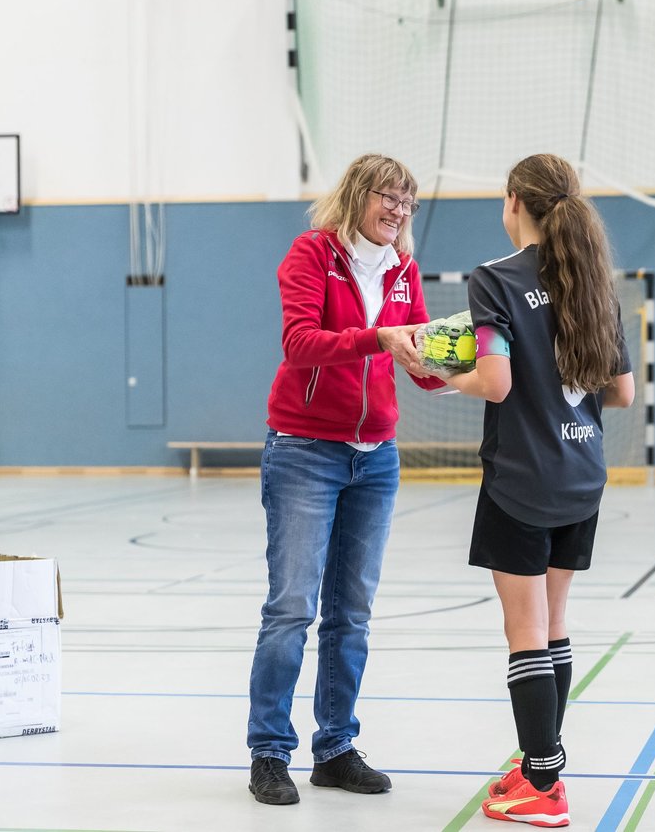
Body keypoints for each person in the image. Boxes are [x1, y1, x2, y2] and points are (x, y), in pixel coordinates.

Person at [436, 154, 634, 828]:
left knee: (524, 631)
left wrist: (438, 374)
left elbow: (494, 381)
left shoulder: (495, 280)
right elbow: (624, 391)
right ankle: (541, 763)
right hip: (583, 475)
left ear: (514, 200)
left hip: (522, 478)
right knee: (553, 625)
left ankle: (544, 787)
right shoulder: (593, 283)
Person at [247, 154, 445, 805]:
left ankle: (334, 748)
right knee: (291, 608)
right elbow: (299, 342)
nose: (398, 211)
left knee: (351, 614)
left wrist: (455, 353)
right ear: (358, 196)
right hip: (305, 450)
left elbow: (415, 364)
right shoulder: (312, 254)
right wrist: (379, 337)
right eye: (388, 197)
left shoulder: (403, 270)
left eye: (407, 203)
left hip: (375, 457)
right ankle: (271, 753)